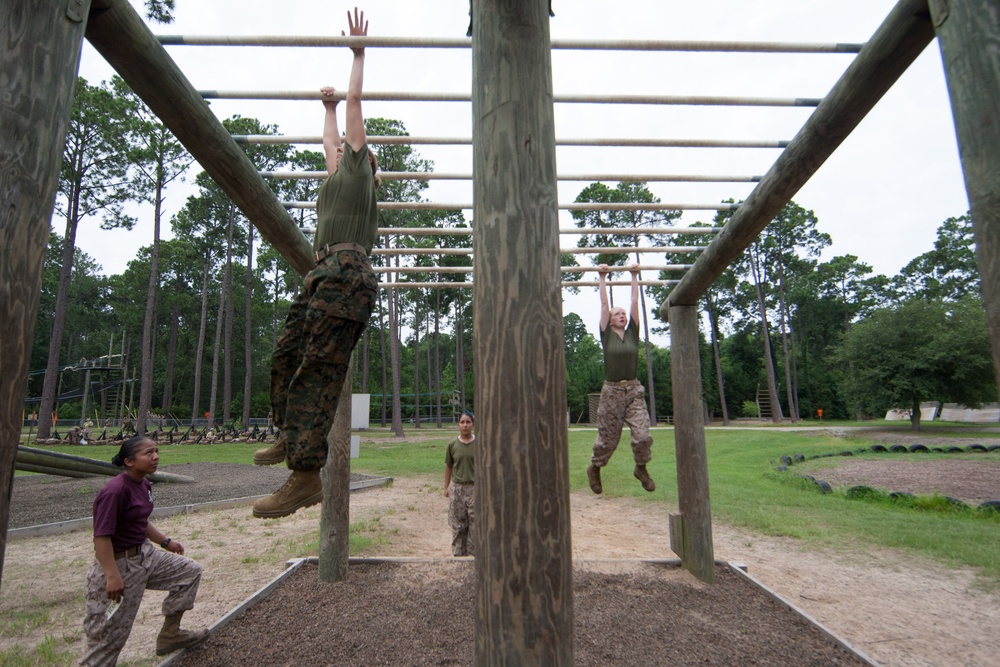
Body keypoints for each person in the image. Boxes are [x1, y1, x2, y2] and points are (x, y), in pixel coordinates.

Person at [252, 7, 380, 519]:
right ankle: (288, 434)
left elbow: (355, 104)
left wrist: (357, 52)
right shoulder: (336, 177)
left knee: (317, 371)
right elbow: (330, 137)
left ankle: (305, 474)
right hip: (322, 274)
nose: (344, 148)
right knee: (284, 356)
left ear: (365, 159)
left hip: (347, 276)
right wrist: (324, 107)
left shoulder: (360, 172)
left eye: (353, 147)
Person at [80, 436, 209, 665]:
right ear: (129, 461)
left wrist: (165, 541)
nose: (156, 457)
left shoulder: (143, 483)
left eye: (156, 451)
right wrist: (112, 576)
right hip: (120, 565)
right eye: (148, 453)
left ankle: (170, 635)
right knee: (109, 637)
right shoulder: (114, 491)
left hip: (145, 555)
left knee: (190, 572)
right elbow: (101, 538)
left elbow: (140, 520)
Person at [586, 264, 656, 494]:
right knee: (608, 439)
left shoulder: (633, 333)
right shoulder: (606, 335)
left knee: (642, 435)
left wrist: (635, 276)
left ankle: (641, 468)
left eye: (623, 314)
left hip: (634, 390)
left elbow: (635, 303)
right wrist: (602, 277)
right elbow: (604, 304)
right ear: (610, 320)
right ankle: (595, 468)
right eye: (618, 314)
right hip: (612, 392)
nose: (622, 316)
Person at [444, 411, 476, 557]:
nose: (465, 425)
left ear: (473, 425)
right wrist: (446, 487)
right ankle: (458, 557)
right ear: (458, 425)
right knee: (458, 524)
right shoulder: (452, 445)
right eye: (462, 422)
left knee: (475, 524)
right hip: (457, 489)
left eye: (468, 422)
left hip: (475, 489)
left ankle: (473, 557)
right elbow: (449, 466)